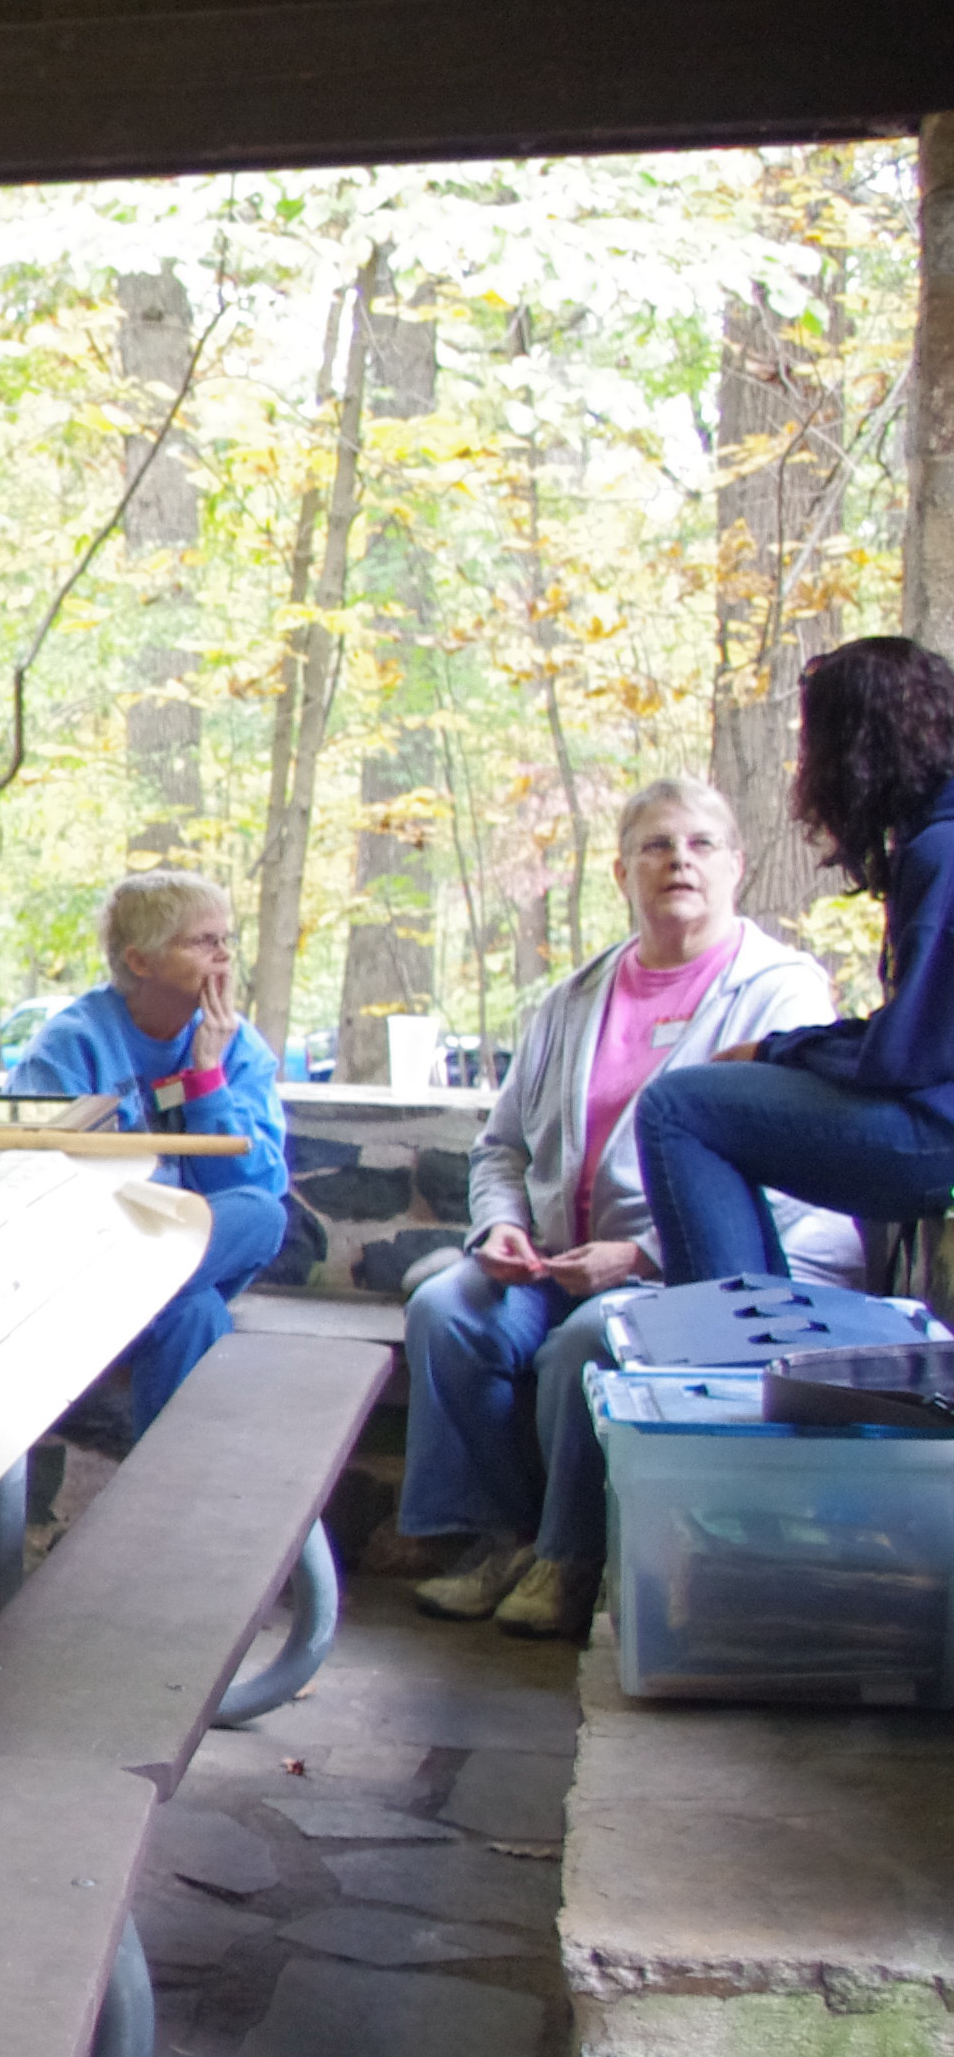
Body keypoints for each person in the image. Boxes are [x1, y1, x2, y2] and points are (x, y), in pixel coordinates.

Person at [403, 780, 852, 1639]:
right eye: (655, 846)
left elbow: (791, 1171)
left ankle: (569, 1560)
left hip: (691, 1265)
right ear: (621, 873)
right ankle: (496, 1540)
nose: (678, 861)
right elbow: (501, 1147)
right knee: (447, 1310)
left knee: (590, 1340)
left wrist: (641, 1257)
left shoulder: (780, 993)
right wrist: (500, 1227)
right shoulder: (572, 999)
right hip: (552, 1254)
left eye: (700, 845)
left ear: (738, 868)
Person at [637, 637, 954, 1285]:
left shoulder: (942, 853)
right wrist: (778, 1052)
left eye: (814, 744)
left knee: (677, 1108)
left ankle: (730, 1360)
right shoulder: (934, 842)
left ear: (857, 747)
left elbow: (906, 1061)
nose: (806, 765)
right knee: (700, 1104)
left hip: (938, 1136)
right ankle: (757, 1337)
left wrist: (780, 1052)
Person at [7, 871, 290, 1434]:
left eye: (227, 940)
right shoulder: (70, 1047)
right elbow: (37, 1187)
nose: (224, 958)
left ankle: (169, 1507)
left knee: (262, 1216)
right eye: (203, 942)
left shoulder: (236, 1047)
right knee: (196, 1311)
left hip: (164, 1264)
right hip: (90, 1253)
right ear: (141, 961)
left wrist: (206, 1077)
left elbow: (258, 1182)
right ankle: (182, 1506)